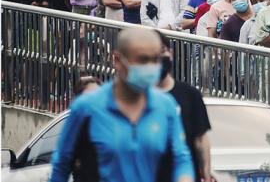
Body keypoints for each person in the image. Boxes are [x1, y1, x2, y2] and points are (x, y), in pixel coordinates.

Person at [49, 28, 195, 182]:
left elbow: (181, 157)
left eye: (155, 60)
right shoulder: (86, 108)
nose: (151, 67)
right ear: (117, 60)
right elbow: (62, 164)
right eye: (143, 60)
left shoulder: (166, 106)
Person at [155, 31, 212, 182]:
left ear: (170, 53)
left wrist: (206, 174)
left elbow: (201, 139)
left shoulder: (190, 95)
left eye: (161, 51)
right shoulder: (137, 96)